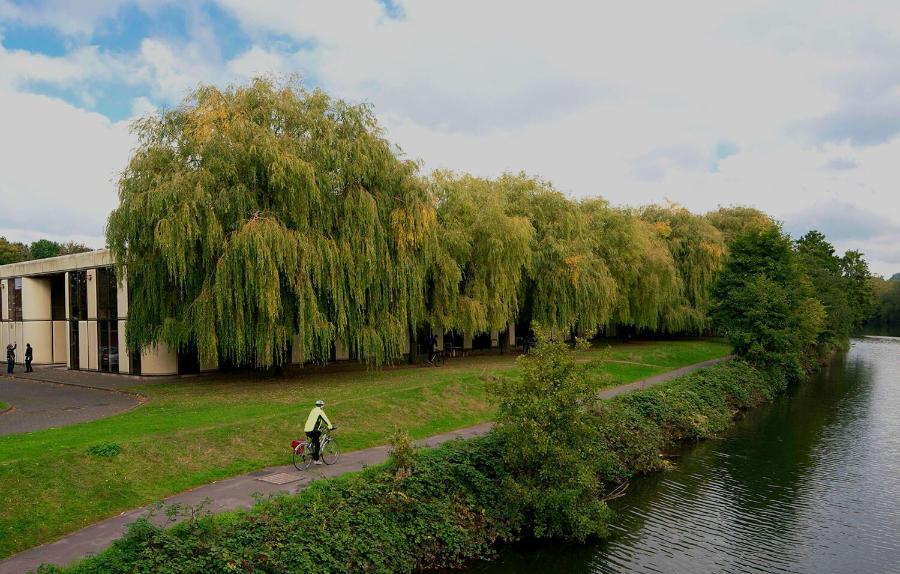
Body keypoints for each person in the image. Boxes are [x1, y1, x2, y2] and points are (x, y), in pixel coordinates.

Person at [304, 399, 334, 465]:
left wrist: (320, 427)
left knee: (315, 439)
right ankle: (316, 460)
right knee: (317, 444)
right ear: (321, 406)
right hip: (313, 430)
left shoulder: (313, 410)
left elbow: (313, 421)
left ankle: (312, 451)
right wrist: (330, 427)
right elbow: (326, 420)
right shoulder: (320, 411)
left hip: (307, 429)